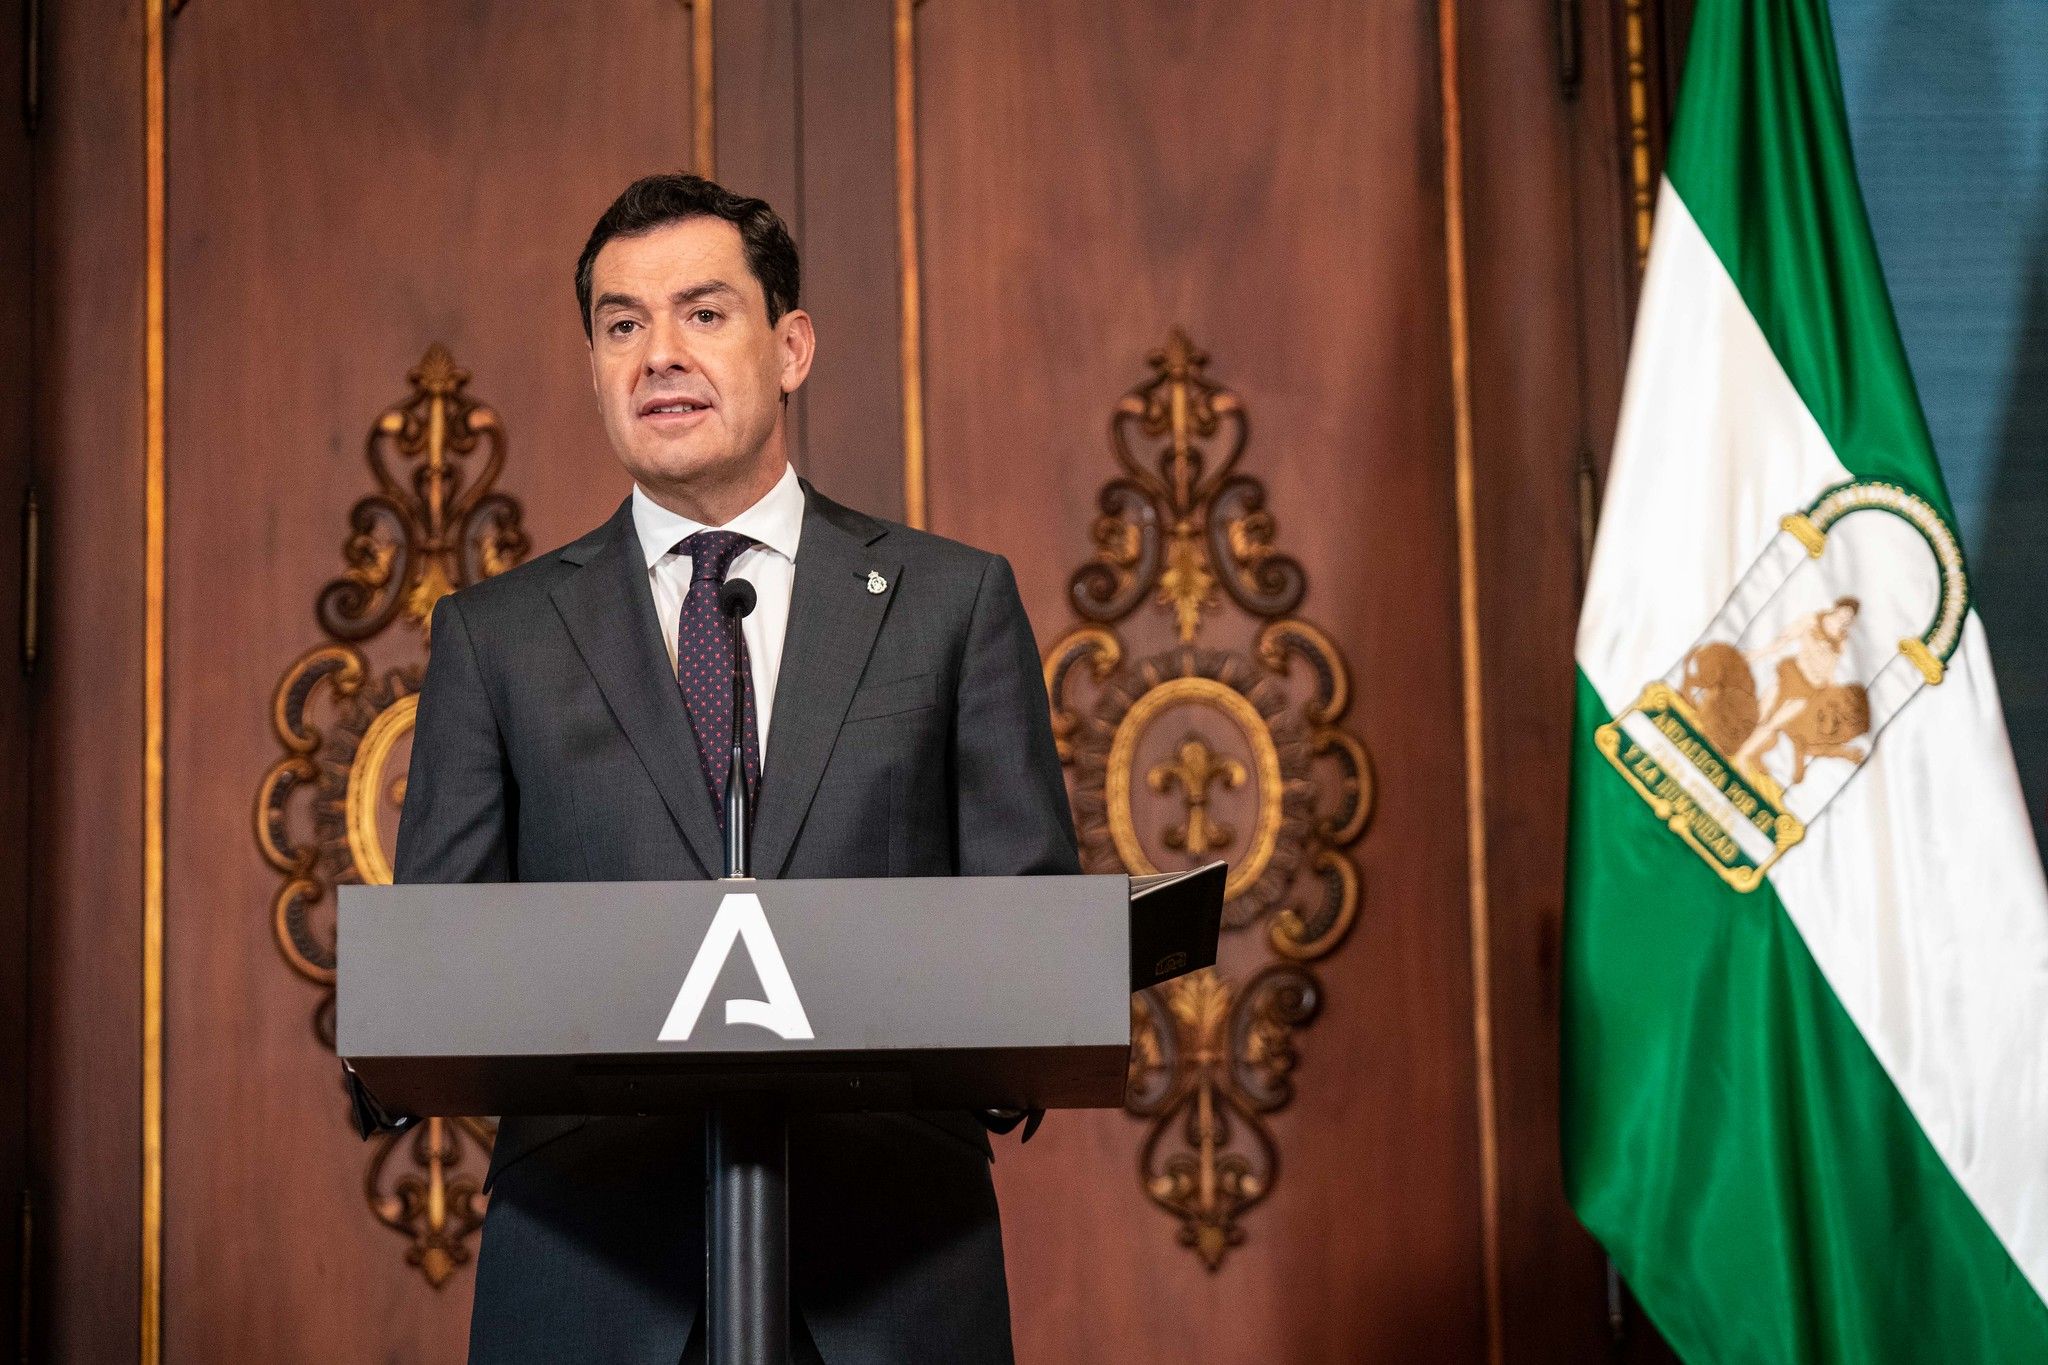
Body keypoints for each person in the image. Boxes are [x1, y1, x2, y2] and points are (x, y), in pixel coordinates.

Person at [392, 172, 1080, 1365]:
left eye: (703, 313)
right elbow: (435, 967)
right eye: (621, 325)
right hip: (590, 1279)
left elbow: (1027, 929)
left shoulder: (949, 604)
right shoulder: (492, 637)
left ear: (791, 346)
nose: (658, 354)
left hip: (887, 1275)